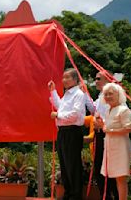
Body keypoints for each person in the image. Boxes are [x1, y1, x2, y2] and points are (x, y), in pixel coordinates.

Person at [48, 68, 86, 200]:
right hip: (63, 132)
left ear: (75, 80)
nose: (64, 80)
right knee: (64, 164)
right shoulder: (67, 94)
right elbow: (60, 106)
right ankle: (68, 193)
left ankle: (76, 195)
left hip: (72, 131)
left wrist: (58, 115)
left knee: (73, 165)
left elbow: (75, 114)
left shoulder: (78, 94)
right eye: (63, 77)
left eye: (67, 77)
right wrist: (53, 91)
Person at [85, 72, 119, 199]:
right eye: (95, 78)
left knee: (110, 170)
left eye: (99, 78)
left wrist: (103, 124)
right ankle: (105, 197)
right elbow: (93, 109)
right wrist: (85, 93)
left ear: (107, 80)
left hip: (109, 135)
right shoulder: (100, 96)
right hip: (99, 136)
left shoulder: (115, 96)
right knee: (99, 169)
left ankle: (114, 196)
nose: (96, 81)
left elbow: (119, 118)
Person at [97, 83, 131, 200]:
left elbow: (128, 128)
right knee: (113, 177)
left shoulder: (124, 110)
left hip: (120, 147)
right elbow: (106, 128)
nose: (107, 96)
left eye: (110, 94)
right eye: (105, 94)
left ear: (118, 94)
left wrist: (110, 130)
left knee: (121, 178)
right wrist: (102, 125)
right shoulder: (108, 110)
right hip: (109, 147)